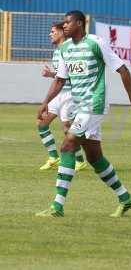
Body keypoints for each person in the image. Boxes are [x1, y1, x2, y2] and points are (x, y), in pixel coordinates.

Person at [35, 10, 131, 218]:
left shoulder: (96, 43)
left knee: (68, 144)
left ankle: (57, 207)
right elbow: (60, 80)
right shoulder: (65, 49)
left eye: (68, 23)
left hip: (94, 105)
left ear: (80, 23)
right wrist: (45, 103)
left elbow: (122, 70)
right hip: (80, 106)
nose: (64, 26)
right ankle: (125, 198)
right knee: (95, 158)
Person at [37, 22, 89, 172]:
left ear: (61, 33)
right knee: (42, 124)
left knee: (67, 128)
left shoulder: (69, 50)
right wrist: (51, 75)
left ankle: (79, 161)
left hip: (70, 95)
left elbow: (74, 75)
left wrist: (53, 76)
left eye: (53, 31)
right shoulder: (56, 51)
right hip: (59, 95)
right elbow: (61, 75)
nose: (50, 34)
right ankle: (54, 157)